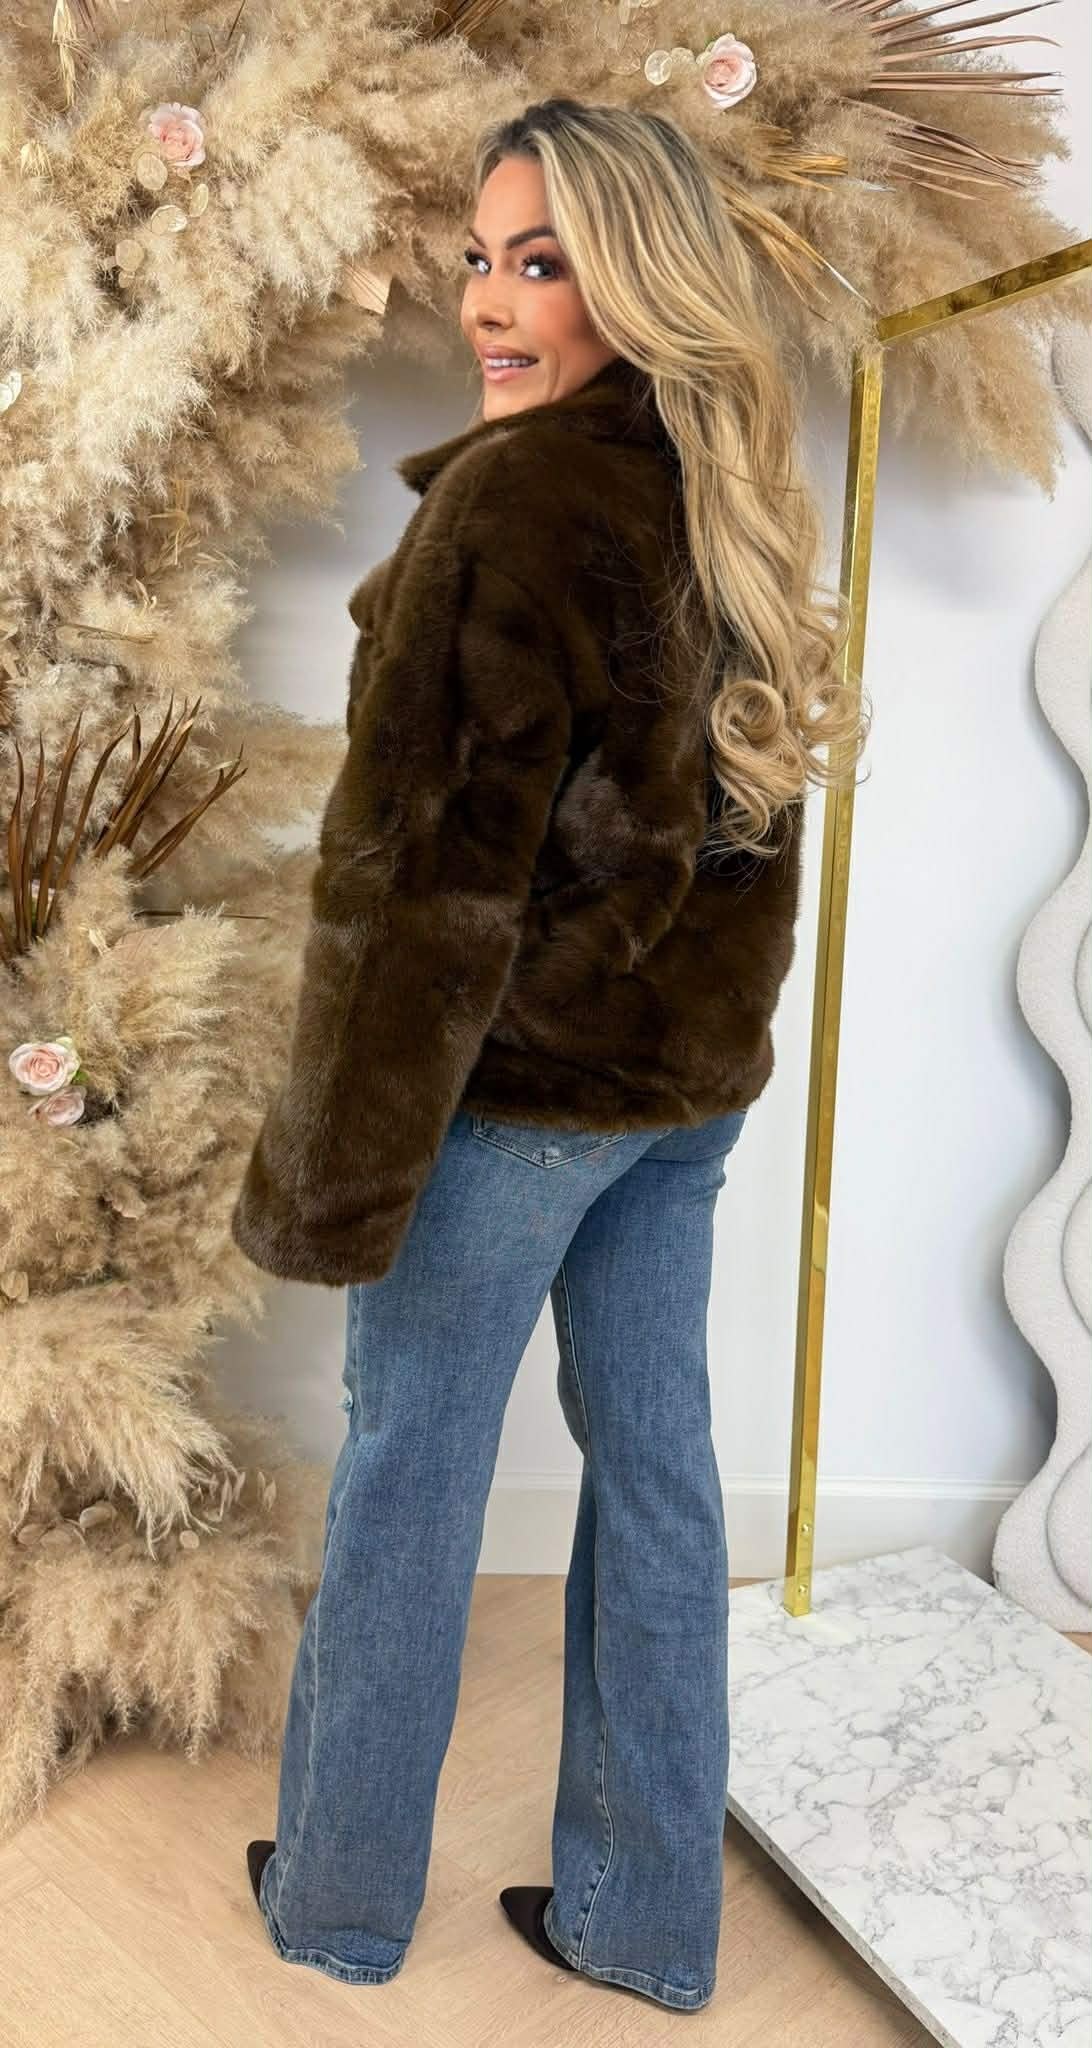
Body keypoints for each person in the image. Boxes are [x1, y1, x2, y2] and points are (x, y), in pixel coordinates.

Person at [232, 97, 869, 2014]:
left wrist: (336, 1177)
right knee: (659, 1473)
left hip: (515, 1107)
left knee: (408, 1476)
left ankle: (338, 1901)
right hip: (679, 1101)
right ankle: (643, 1923)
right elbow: (742, 842)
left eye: (545, 263)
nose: (493, 305)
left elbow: (418, 883)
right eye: (481, 260)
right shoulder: (722, 490)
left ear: (640, 278)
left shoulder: (511, 508)